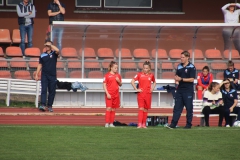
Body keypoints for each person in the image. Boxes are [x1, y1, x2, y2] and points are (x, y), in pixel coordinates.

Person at [166, 51, 196, 129]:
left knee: (189, 108)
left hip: (188, 90)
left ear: (187, 57)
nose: (181, 59)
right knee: (177, 108)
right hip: (180, 90)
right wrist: (176, 79)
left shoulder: (192, 67)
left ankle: (188, 124)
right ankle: (173, 124)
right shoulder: (179, 66)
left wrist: (181, 79)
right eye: (181, 57)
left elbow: (192, 79)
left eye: (183, 57)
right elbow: (177, 76)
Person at [35, 41, 59, 112]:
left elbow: (57, 50)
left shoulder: (54, 54)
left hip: (52, 75)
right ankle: (43, 104)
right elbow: (40, 65)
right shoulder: (42, 55)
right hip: (44, 75)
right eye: (46, 45)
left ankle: (50, 106)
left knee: (52, 91)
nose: (47, 47)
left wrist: (50, 45)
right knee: (44, 90)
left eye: (48, 46)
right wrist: (37, 74)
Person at [131, 61, 156, 128]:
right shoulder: (139, 74)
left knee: (145, 109)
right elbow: (132, 81)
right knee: (141, 108)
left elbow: (154, 82)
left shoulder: (151, 75)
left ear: (149, 68)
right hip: (141, 94)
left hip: (148, 94)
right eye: (144, 68)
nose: (145, 69)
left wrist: (152, 89)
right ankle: (139, 124)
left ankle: (144, 124)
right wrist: (136, 89)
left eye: (147, 68)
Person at [103, 61, 122, 127]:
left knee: (113, 109)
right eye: (115, 68)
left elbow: (120, 84)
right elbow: (104, 85)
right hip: (109, 94)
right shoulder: (107, 75)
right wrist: (107, 93)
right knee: (109, 108)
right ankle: (106, 123)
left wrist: (118, 81)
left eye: (117, 68)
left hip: (116, 94)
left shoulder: (118, 75)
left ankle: (111, 123)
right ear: (111, 68)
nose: (116, 69)